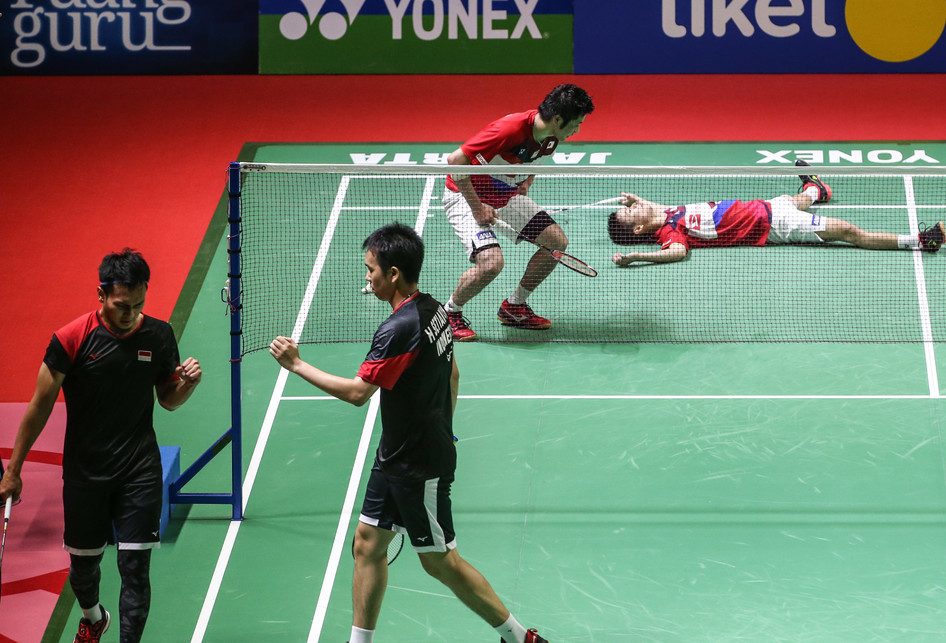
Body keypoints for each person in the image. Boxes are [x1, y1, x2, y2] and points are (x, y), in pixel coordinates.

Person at [269, 223, 549, 643]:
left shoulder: (398, 330)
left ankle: (518, 637)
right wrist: (445, 430)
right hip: (396, 455)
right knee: (367, 544)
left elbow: (357, 393)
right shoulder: (435, 309)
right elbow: (452, 373)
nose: (367, 276)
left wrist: (296, 365)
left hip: (418, 466)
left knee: (439, 562)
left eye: (371, 269)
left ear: (393, 273)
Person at [0, 249, 202, 643]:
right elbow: (39, 407)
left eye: (138, 304)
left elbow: (168, 399)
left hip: (139, 470)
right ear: (101, 294)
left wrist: (187, 385)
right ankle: (94, 618)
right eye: (121, 305)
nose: (130, 313)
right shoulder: (71, 339)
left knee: (134, 568)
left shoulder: (159, 335)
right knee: (83, 570)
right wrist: (13, 470)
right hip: (86, 471)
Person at [442, 83, 595, 341]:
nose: (577, 129)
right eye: (575, 123)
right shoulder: (510, 130)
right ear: (558, 119)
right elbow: (456, 161)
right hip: (465, 195)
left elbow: (537, 159)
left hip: (505, 194)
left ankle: (514, 307)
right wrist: (477, 208)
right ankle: (449, 313)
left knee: (556, 243)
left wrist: (527, 181)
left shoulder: (552, 136)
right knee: (491, 264)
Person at [608, 162, 945, 265]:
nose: (635, 207)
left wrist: (636, 199)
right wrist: (636, 256)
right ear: (639, 231)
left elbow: (647, 207)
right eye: (631, 213)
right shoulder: (669, 233)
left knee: (796, 197)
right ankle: (919, 241)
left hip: (766, 207)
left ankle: (817, 191)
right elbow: (678, 253)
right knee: (849, 232)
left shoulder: (664, 214)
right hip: (777, 226)